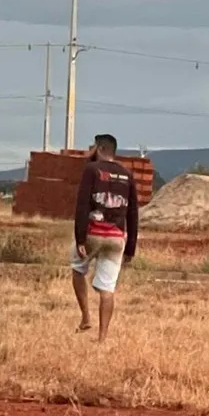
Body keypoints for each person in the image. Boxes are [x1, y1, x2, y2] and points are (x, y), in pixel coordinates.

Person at [69, 134, 139, 342]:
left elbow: (82, 205)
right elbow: (133, 213)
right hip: (117, 238)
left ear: (99, 148)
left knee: (78, 269)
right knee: (107, 289)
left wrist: (80, 238)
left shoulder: (91, 170)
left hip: (93, 232)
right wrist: (130, 248)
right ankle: (102, 338)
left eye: (92, 147)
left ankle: (85, 317)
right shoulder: (127, 174)